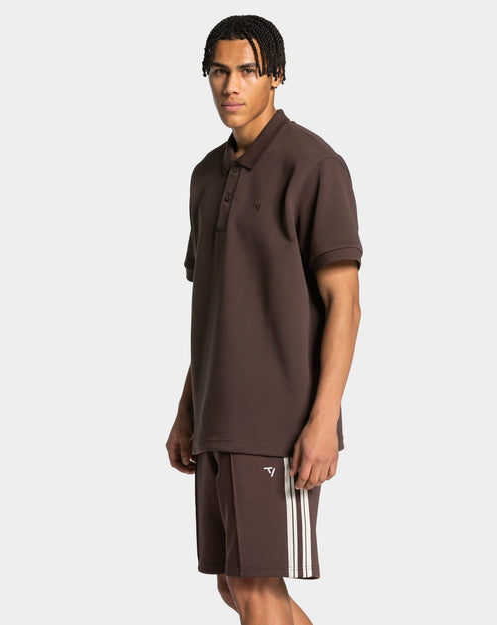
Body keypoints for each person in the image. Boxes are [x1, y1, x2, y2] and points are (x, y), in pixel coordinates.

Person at [166, 14, 363, 625]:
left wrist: (323, 421)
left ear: (276, 75)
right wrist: (187, 411)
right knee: (236, 587)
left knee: (256, 590)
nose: (231, 85)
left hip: (278, 423)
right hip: (217, 419)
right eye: (219, 71)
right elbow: (217, 311)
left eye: (247, 71)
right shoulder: (205, 176)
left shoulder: (314, 165)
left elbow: (345, 302)